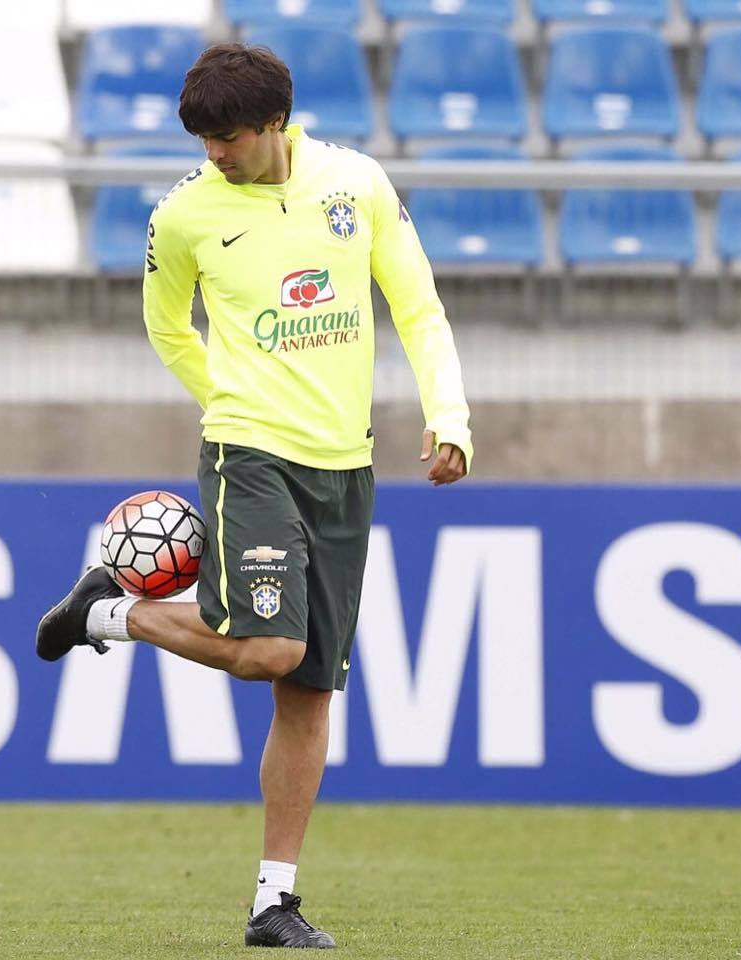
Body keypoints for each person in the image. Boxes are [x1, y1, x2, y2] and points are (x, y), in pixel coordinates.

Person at [36, 42, 472, 950]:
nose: (215, 155)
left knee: (308, 692)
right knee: (272, 648)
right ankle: (114, 615)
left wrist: (450, 417)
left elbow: (418, 307)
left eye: (229, 138)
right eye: (203, 140)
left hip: (345, 465)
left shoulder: (356, 184)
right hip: (248, 454)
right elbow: (165, 326)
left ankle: (273, 903)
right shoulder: (184, 215)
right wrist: (230, 402)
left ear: (276, 124)